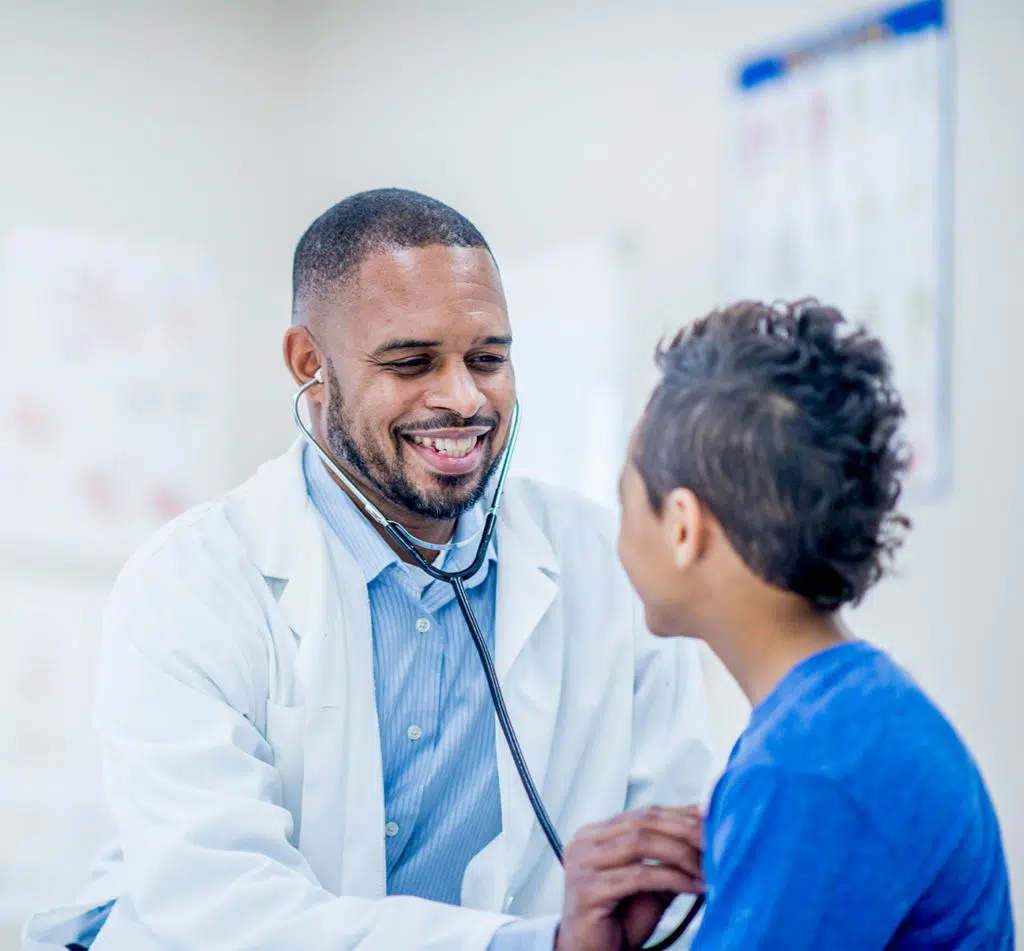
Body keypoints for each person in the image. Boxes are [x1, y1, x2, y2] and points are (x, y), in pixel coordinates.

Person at [23, 188, 712, 951]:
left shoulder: (609, 567)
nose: (461, 398)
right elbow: (222, 907)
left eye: (488, 358)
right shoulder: (190, 587)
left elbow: (676, 866)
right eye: (411, 362)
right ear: (309, 364)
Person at [607, 299, 1015, 949]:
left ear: (683, 527)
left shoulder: (808, 767)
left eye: (623, 499)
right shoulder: (850, 712)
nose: (617, 531)